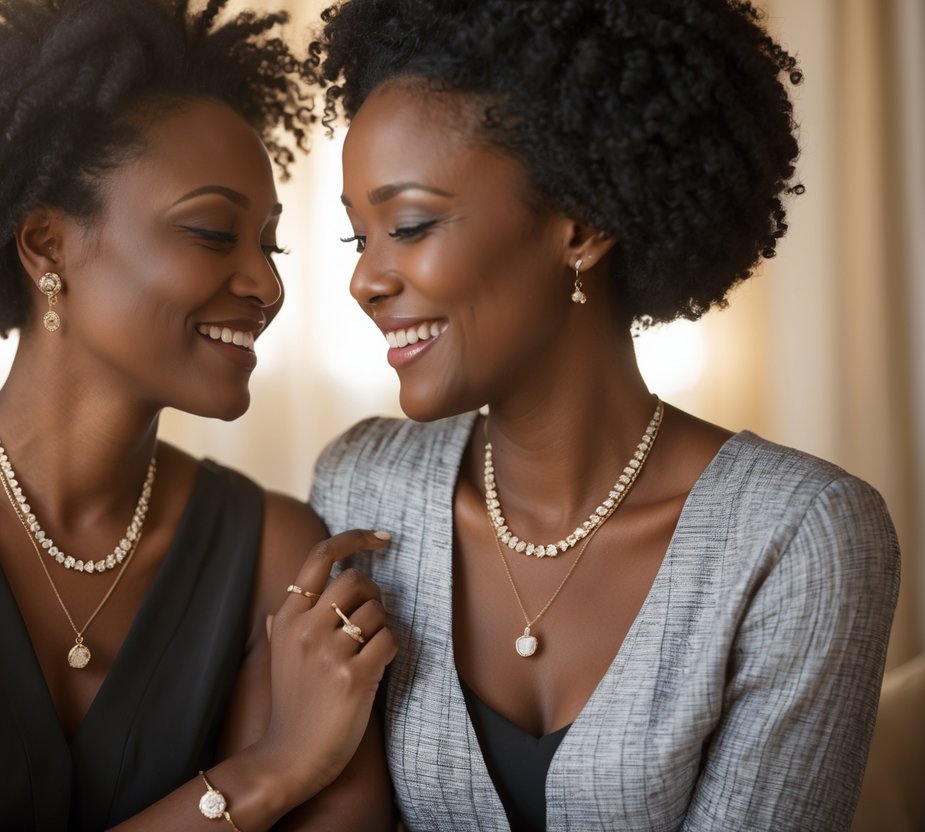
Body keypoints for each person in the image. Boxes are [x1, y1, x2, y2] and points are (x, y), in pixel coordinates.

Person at [0, 1, 398, 830]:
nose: (266, 287)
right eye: (209, 231)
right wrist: (269, 771)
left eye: (267, 245)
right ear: (47, 246)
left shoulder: (274, 551)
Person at [306, 1, 902, 829]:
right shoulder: (361, 490)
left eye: (407, 225)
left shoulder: (797, 535)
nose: (365, 280)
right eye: (356, 238)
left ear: (580, 226)